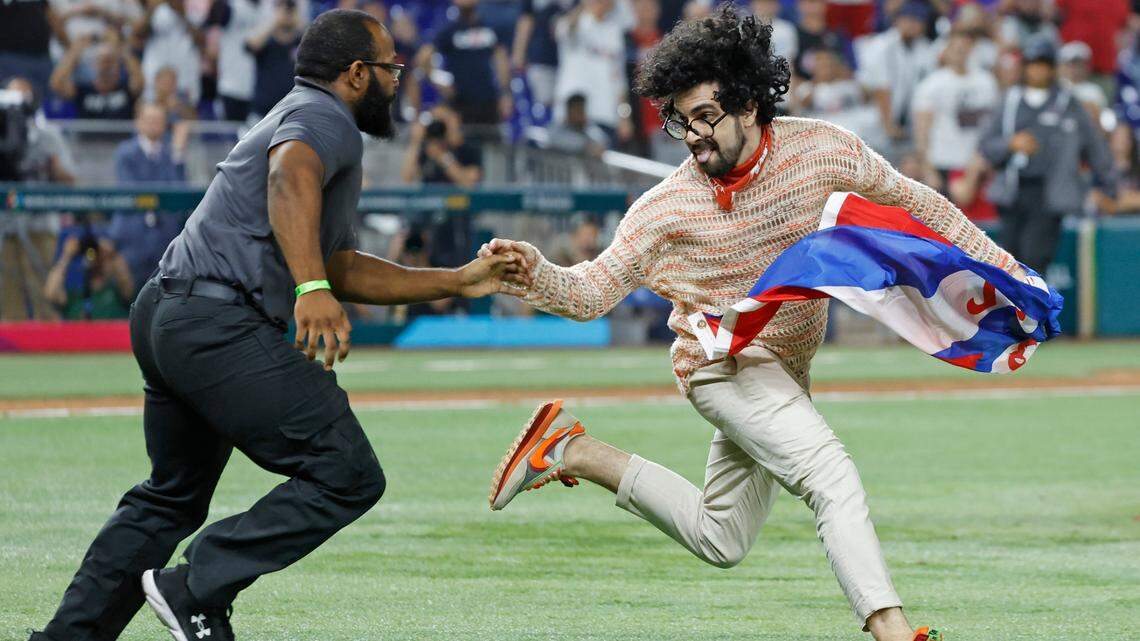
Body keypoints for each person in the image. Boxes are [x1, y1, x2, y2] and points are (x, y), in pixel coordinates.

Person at [481, 6, 1028, 640]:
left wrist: (1007, 271)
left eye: (706, 117)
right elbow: (589, 293)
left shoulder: (822, 150)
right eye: (681, 122)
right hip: (721, 364)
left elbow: (914, 203)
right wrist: (534, 270)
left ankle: (570, 448)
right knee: (831, 476)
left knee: (722, 538)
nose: (693, 136)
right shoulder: (667, 207)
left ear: (748, 104)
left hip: (784, 370)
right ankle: (895, 632)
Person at [27, 10, 521, 641]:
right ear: (355, 74)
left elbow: (337, 263)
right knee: (346, 471)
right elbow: (290, 176)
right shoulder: (323, 117)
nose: (399, 80)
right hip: (216, 320)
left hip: (169, 309)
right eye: (390, 68)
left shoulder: (310, 113)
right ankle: (194, 589)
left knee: (171, 496)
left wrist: (454, 280)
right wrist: (310, 288)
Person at [979, 37, 1115, 272]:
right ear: (1025, 67)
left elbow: (1095, 148)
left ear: (1052, 68)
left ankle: (1030, 309)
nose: (1038, 70)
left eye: (1043, 64)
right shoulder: (1010, 100)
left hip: (1050, 192)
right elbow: (986, 146)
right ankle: (1013, 309)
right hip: (1014, 190)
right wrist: (1010, 144)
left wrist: (1108, 184)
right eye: (1033, 63)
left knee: (1034, 258)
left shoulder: (1068, 103)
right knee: (1008, 260)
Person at [0, 77, 76, 322]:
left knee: (42, 288)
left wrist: (51, 165)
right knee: (7, 291)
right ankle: (12, 346)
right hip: (5, 224)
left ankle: (51, 343)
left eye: (21, 98)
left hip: (41, 223)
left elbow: (70, 178)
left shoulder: (48, 135)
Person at [107, 103, 191, 290]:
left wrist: (178, 154)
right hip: (131, 238)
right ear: (139, 123)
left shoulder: (173, 154)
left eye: (159, 121)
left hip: (165, 240)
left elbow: (179, 196)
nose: (154, 125)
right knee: (128, 298)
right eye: (149, 120)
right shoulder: (125, 152)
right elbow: (133, 191)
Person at [911, 31, 999, 193]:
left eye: (965, 48)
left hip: (976, 163)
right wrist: (927, 168)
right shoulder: (932, 85)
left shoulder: (986, 82)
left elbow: (993, 124)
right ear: (946, 51)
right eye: (956, 48)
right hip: (943, 161)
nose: (961, 53)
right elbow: (922, 130)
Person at [415, 0, 511, 127]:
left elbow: (501, 60)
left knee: (490, 140)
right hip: (460, 99)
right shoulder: (450, 30)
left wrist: (505, 93)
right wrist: (438, 81)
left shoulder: (490, 27)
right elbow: (423, 58)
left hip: (488, 98)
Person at [857, 1, 935, 143]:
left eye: (918, 20)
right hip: (874, 121)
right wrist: (889, 126)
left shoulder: (926, 49)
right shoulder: (881, 45)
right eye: (908, 19)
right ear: (897, 20)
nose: (912, 24)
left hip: (907, 125)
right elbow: (881, 87)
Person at [42, 231, 135, 320]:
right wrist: (66, 256)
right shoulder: (75, 297)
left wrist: (112, 254)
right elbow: (51, 293)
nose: (95, 261)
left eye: (101, 259)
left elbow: (126, 281)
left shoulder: (117, 294)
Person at [50, 35, 144, 119]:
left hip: (122, 138)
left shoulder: (126, 89)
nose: (106, 66)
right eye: (102, 61)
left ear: (118, 65)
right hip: (87, 138)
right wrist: (76, 51)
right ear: (93, 65)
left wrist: (121, 49)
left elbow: (140, 82)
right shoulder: (83, 90)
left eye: (110, 61)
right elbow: (57, 83)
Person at [246, 0, 304, 119]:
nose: (286, 12)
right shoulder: (266, 41)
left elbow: (319, 45)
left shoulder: (302, 40)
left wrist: (298, 22)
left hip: (293, 111)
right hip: (263, 111)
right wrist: (275, 21)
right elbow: (250, 46)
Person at [545, 93, 610, 157]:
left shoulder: (588, 127)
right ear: (569, 111)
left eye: (582, 110)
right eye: (577, 110)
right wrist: (585, 146)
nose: (580, 114)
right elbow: (555, 141)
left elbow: (603, 141)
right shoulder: (557, 127)